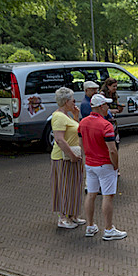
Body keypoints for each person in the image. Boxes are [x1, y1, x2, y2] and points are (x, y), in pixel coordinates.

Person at [78, 93, 128, 241]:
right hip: (104, 164)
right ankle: (108, 229)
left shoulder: (83, 122)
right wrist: (116, 165)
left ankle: (90, 226)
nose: (108, 107)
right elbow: (112, 150)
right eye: (106, 105)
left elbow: (81, 143)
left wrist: (88, 155)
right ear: (100, 107)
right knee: (108, 196)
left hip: (90, 163)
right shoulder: (106, 125)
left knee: (91, 194)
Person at [50, 87, 85, 229]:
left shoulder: (67, 115)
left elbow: (74, 131)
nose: (75, 103)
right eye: (73, 100)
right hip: (63, 158)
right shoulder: (58, 116)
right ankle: (63, 218)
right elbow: (59, 139)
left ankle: (72, 215)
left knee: (74, 187)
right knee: (65, 187)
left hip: (73, 156)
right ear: (66, 101)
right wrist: (72, 155)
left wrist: (76, 116)